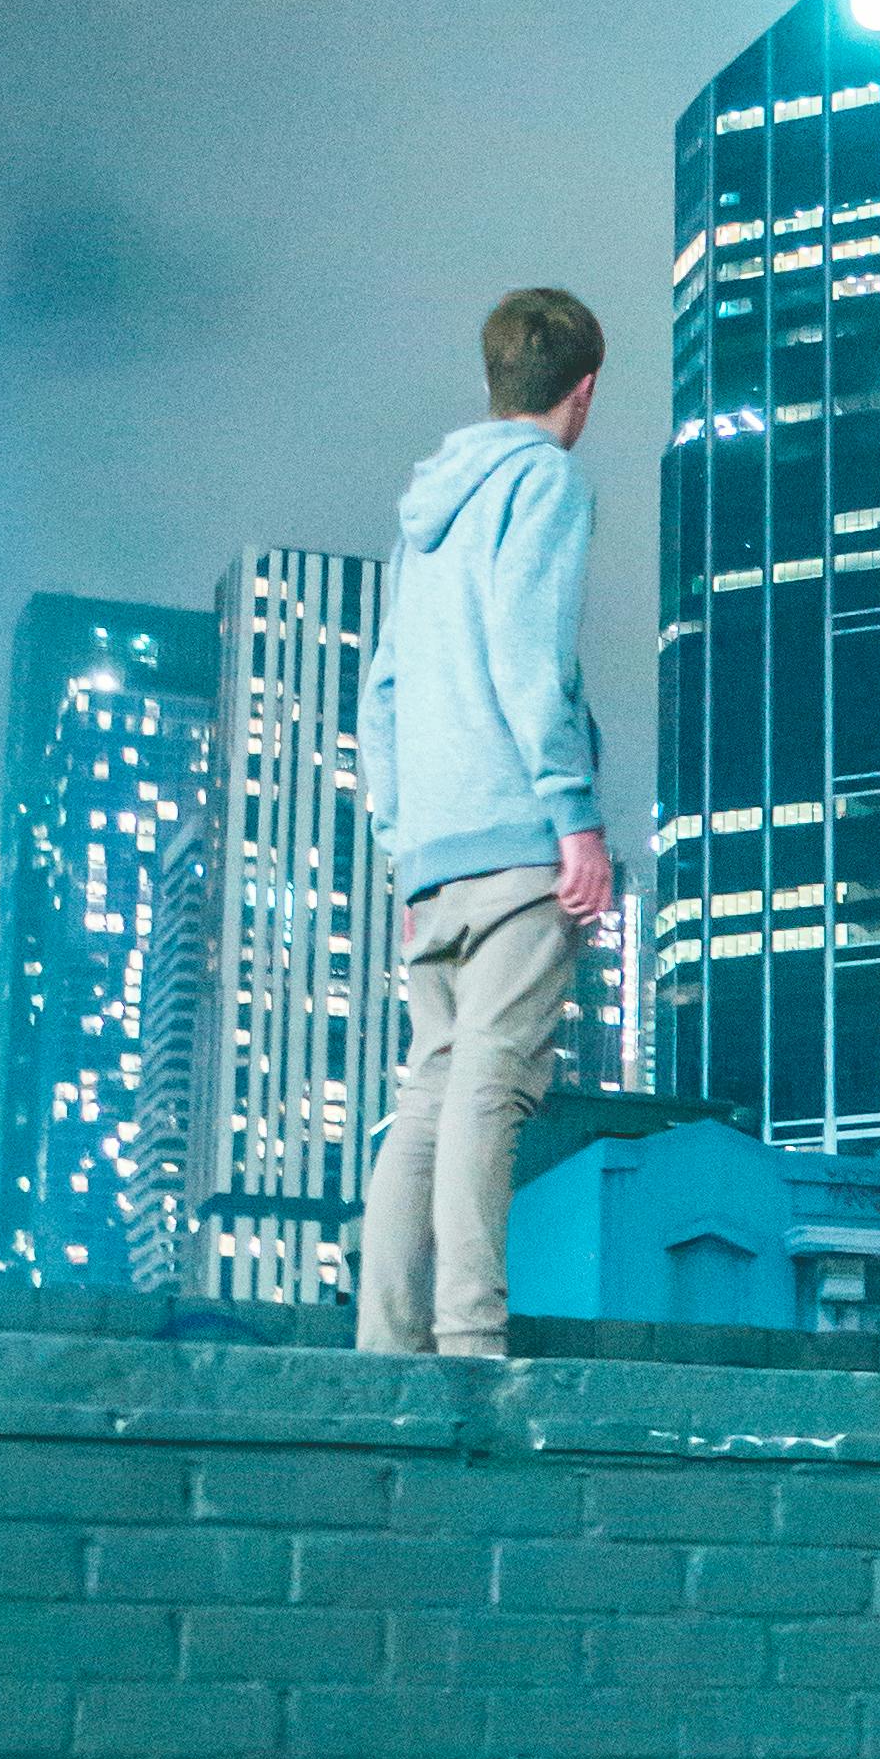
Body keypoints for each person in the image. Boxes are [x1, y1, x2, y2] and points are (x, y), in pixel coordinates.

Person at [354, 286, 614, 1362]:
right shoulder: (545, 483)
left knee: (427, 1089)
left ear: (492, 377)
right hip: (514, 836)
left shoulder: (429, 511)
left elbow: (381, 692)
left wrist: (398, 851)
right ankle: (469, 1341)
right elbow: (526, 651)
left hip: (431, 854)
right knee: (492, 1083)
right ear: (583, 390)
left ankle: (388, 1342)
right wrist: (576, 818)